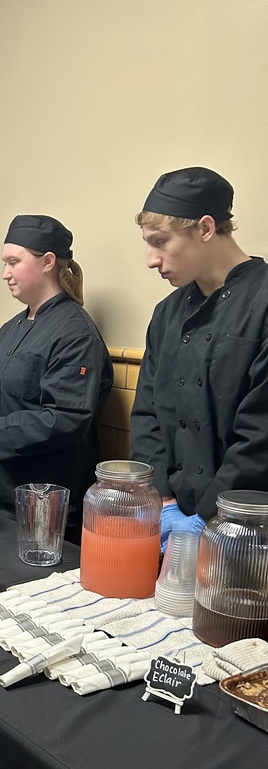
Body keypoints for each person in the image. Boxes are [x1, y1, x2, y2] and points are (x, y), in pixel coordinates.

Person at [0, 215, 113, 528]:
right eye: (4, 263)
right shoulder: (11, 328)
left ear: (48, 262)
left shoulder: (75, 333)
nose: (5, 274)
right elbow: (2, 398)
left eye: (14, 262)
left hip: (35, 504)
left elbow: (65, 419)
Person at [130, 166, 268, 549]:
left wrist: (209, 517)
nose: (151, 260)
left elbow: (260, 435)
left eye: (161, 242)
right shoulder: (166, 313)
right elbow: (147, 414)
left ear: (205, 228)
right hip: (171, 511)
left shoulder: (263, 303)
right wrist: (163, 497)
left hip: (245, 525)